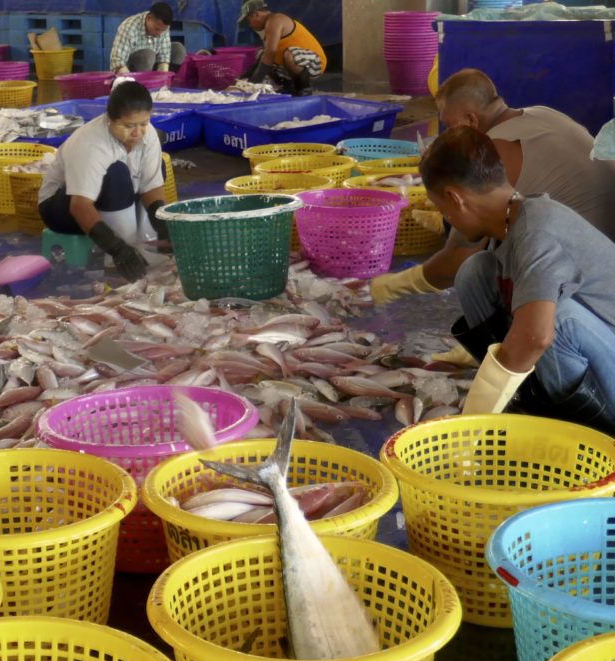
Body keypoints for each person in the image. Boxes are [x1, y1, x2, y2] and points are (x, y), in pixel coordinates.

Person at [419, 125, 615, 433]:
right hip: (595, 356)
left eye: (440, 207)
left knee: (555, 322)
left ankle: (573, 428)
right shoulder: (511, 221)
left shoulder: (538, 232)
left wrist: (472, 424)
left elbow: (536, 337)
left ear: (454, 198)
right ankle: (523, 398)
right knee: (475, 272)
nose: (446, 218)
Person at [372, 69, 615, 309]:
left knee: (481, 265)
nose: (448, 133)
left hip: (587, 284)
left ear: (471, 120)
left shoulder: (492, 153)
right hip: (602, 250)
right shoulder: (542, 113)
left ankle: (508, 339)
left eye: (449, 125)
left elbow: (460, 255)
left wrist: (393, 285)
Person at [38, 81, 169, 283]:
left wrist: (163, 225)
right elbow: (79, 206)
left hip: (105, 199)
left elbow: (151, 185)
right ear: (110, 120)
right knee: (115, 172)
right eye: (128, 126)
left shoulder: (147, 133)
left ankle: (144, 244)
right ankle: (122, 250)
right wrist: (116, 248)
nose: (137, 132)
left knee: (157, 164)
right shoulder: (91, 143)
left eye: (143, 123)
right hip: (61, 208)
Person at [239, 0, 326, 96]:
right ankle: (287, 87)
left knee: (289, 54)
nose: (250, 25)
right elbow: (264, 57)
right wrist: (243, 79)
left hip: (315, 63)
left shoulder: (276, 19)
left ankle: (304, 89)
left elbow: (270, 52)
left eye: (248, 21)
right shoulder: (268, 27)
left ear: (255, 14)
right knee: (261, 53)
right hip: (294, 65)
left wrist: (253, 84)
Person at [110, 3, 186, 75]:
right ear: (149, 18)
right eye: (157, 29)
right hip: (130, 71)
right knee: (148, 55)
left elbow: (164, 58)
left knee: (178, 49)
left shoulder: (162, 26)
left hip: (152, 65)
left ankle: (163, 82)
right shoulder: (129, 27)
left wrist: (163, 79)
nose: (159, 33)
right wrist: (130, 81)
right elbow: (117, 61)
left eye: (163, 30)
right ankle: (142, 84)